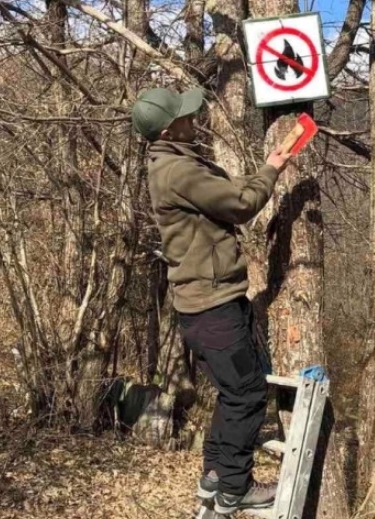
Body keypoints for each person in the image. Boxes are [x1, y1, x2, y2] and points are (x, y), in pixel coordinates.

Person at [131, 87, 290, 514]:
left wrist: (256, 173)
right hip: (213, 306)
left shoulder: (175, 164)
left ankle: (216, 475)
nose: (193, 118)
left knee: (231, 391)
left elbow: (219, 190)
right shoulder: (178, 170)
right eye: (185, 115)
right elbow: (240, 203)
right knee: (246, 394)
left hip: (205, 303)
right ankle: (236, 488)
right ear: (169, 128)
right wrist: (272, 169)